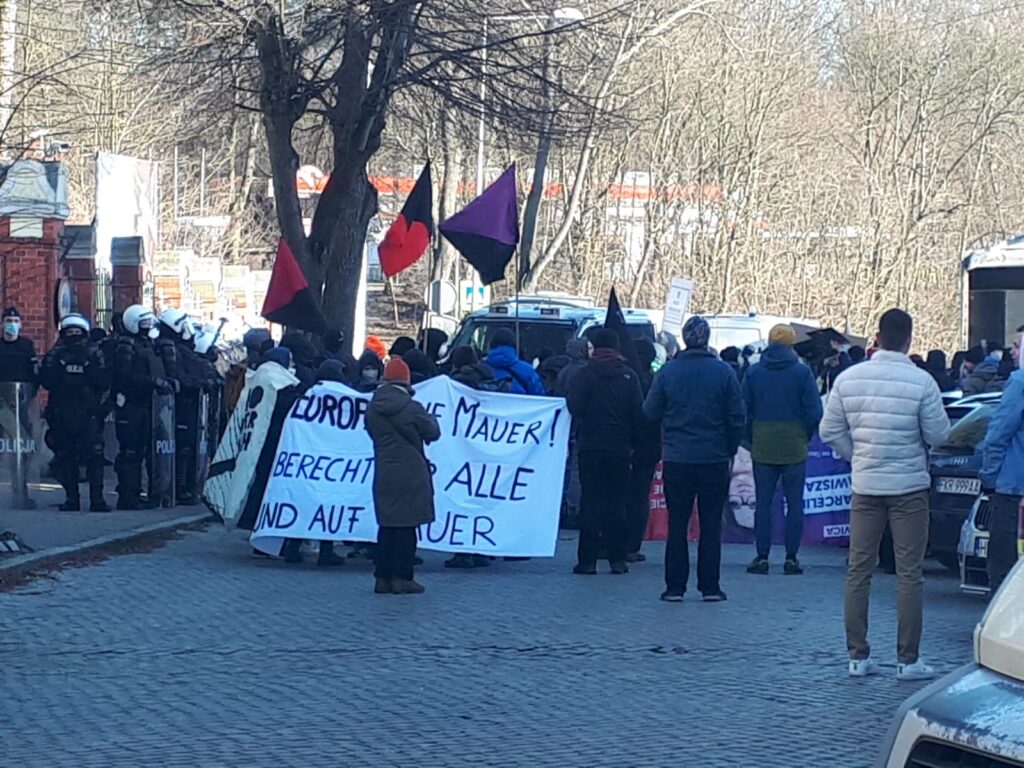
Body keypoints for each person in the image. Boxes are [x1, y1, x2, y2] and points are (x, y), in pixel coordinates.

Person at [820, 308, 950, 681]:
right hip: (909, 487)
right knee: (909, 574)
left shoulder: (849, 379)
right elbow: (939, 435)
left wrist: (856, 454)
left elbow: (828, 430)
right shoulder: (921, 382)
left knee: (858, 570)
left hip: (866, 486)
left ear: (877, 336)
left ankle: (857, 656)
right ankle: (908, 660)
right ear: (909, 338)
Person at [644, 316, 745, 603]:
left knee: (677, 523)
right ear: (708, 337)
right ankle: (710, 586)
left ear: (686, 338)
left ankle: (674, 587)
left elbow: (650, 411)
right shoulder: (724, 373)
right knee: (711, 524)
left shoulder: (667, 372)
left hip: (677, 458)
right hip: (714, 458)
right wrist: (730, 447)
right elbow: (737, 416)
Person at [741, 324, 823, 575]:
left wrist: (752, 438)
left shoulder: (754, 372)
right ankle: (791, 558)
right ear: (791, 345)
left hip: (763, 444)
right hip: (794, 445)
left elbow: (743, 411)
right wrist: (803, 435)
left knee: (763, 504)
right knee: (794, 503)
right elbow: (814, 412)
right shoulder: (802, 373)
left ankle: (762, 556)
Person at [567, 329, 644, 575]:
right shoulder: (629, 376)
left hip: (590, 446)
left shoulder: (585, 375)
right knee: (618, 503)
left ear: (595, 347)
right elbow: (638, 413)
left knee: (591, 502)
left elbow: (574, 406)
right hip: (620, 448)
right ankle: (617, 559)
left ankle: (587, 561)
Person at [365, 357, 441, 595]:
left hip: (384, 469)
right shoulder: (412, 407)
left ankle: (382, 577)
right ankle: (402, 577)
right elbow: (433, 432)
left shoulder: (372, 407)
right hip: (411, 471)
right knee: (407, 526)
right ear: (406, 382)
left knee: (387, 525)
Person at [279, 356, 348, 568]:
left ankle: (292, 548)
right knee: (326, 505)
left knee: (304, 503)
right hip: (330, 463)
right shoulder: (343, 398)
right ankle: (326, 552)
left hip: (307, 461)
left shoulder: (305, 395)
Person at [38, 314, 109, 512]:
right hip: (62, 413)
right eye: (70, 332)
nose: (74, 336)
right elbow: (47, 380)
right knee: (65, 456)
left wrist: (87, 368)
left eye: (77, 332)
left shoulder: (94, 354)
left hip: (88, 413)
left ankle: (97, 500)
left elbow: (103, 381)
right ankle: (72, 499)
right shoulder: (55, 355)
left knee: (95, 455)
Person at [979, 324, 1024, 594]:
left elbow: (999, 433)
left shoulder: (1019, 382)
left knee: (1004, 566)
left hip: (1012, 488)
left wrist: (989, 475)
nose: (1013, 352)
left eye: (1018, 346)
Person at [113, 304, 171, 510]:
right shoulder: (126, 345)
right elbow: (124, 377)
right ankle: (128, 495)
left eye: (149, 322)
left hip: (150, 404)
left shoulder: (150, 345)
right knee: (131, 452)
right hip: (131, 404)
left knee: (147, 450)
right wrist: (151, 382)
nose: (148, 327)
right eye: (144, 323)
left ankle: (144, 493)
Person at [445, 346, 497, 569]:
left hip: (460, 450)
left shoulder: (454, 384)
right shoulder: (492, 381)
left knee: (462, 498)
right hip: (486, 449)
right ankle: (481, 549)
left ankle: (463, 551)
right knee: (480, 497)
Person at [0, 306, 38, 507]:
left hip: (20, 404)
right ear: (2, 324)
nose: (12, 325)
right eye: (8, 320)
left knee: (22, 448)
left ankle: (20, 491)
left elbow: (34, 375)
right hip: (0, 405)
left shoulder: (26, 346)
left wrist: (30, 398)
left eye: (15, 321)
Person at [627, 338, 660, 562]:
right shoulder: (655, 381)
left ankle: (612, 542)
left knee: (618, 495)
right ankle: (632, 546)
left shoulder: (627, 379)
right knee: (639, 497)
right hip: (648, 445)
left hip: (625, 444)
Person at [484, 328, 546, 396]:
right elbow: (539, 397)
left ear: (490, 345)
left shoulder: (478, 369)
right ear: (515, 346)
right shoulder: (528, 371)